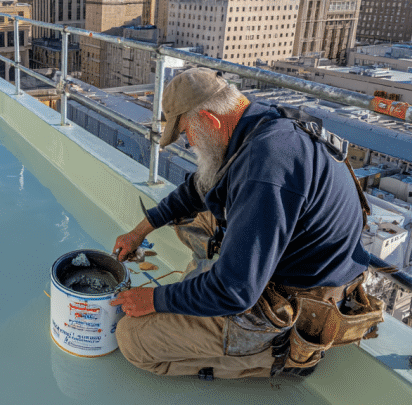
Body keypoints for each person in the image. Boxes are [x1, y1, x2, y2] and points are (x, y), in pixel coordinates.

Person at [109, 68, 380, 379]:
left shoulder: (264, 168)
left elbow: (234, 291)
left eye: (186, 133)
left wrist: (155, 300)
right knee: (194, 217)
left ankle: (285, 355)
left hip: (300, 298)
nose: (189, 143)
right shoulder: (261, 123)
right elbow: (199, 188)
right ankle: (211, 286)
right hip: (294, 263)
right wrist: (139, 232)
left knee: (132, 338)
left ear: (209, 120)